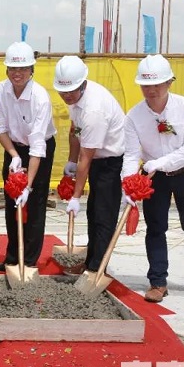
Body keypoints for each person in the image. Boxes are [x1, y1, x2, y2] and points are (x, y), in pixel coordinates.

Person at [121, 55, 184, 303]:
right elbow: (131, 154)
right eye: (145, 85)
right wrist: (128, 185)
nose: (151, 90)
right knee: (155, 227)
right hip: (155, 178)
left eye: (156, 85)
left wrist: (161, 162)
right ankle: (157, 281)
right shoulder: (134, 116)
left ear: (169, 82)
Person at [53, 55, 125, 274]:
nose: (66, 95)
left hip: (110, 162)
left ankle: (96, 269)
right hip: (94, 159)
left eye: (70, 91)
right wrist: (71, 160)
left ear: (82, 84)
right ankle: (90, 261)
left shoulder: (94, 109)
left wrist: (76, 197)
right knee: (93, 213)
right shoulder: (76, 99)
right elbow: (75, 130)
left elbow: (87, 157)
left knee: (103, 215)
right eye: (62, 91)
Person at [0, 42, 56, 272]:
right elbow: (0, 128)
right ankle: (12, 257)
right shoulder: (1, 90)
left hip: (40, 150)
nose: (17, 73)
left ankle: (28, 261)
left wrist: (28, 186)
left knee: (34, 203)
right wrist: (14, 155)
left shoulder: (40, 98)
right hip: (14, 148)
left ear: (31, 70)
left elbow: (38, 146)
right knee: (11, 202)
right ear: (7, 69)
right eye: (12, 69)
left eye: (23, 69)